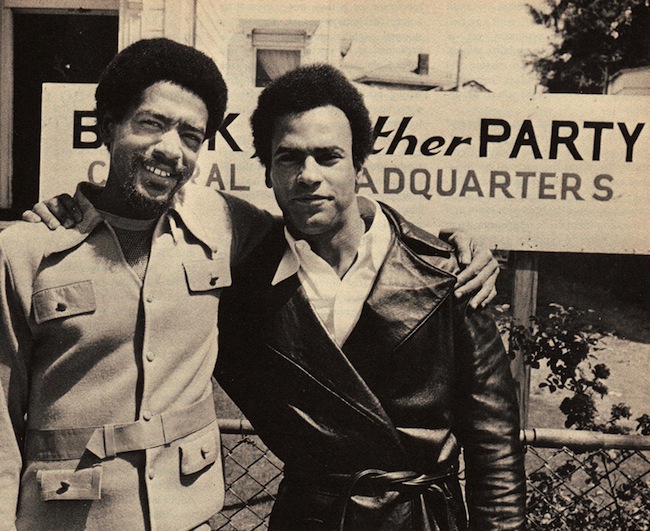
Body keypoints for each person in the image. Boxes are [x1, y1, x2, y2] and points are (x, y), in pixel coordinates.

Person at [4, 40, 498, 529]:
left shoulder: (223, 225)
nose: (170, 149)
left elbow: (337, 224)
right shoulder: (32, 250)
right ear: (107, 126)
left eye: (191, 136)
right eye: (151, 123)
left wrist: (449, 248)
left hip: (189, 515)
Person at [215, 64, 526, 530]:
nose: (308, 175)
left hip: (422, 519)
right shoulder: (241, 290)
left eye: (328, 156)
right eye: (289, 158)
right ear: (268, 172)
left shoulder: (449, 273)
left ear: (360, 165)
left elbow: (494, 446)